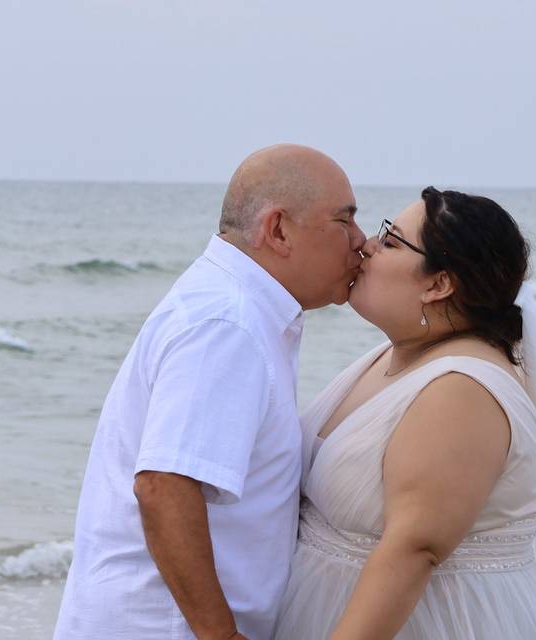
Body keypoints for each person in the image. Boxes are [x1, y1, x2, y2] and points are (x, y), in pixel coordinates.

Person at [53, 144, 366, 640]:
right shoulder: (228, 323)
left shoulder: (239, 311)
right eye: (344, 221)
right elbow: (164, 485)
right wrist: (220, 635)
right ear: (278, 229)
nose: (361, 241)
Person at [274, 187, 536, 639]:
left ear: (438, 284)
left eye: (391, 241)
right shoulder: (392, 356)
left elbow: (415, 548)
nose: (366, 246)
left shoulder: (461, 389)